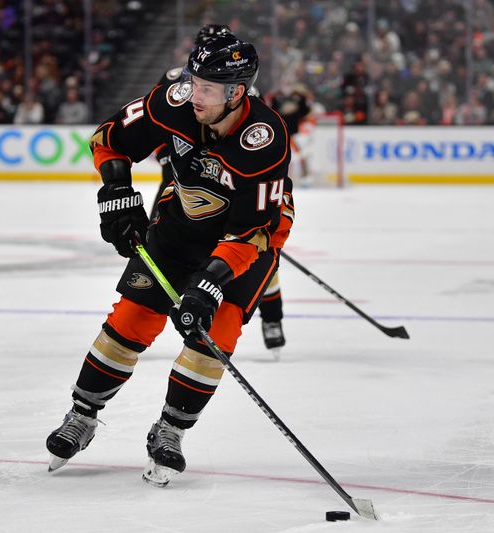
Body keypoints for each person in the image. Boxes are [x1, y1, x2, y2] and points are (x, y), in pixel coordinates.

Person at [46, 35, 294, 487]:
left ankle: (171, 430)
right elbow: (108, 139)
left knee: (213, 336)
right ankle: (81, 416)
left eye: (207, 88)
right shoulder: (176, 100)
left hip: (245, 242)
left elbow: (254, 231)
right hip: (181, 223)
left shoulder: (264, 140)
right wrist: (116, 190)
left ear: (237, 93)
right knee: (131, 320)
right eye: (194, 82)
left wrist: (212, 280)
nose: (193, 94)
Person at [150, 24, 288, 352]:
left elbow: (260, 143)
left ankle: (272, 316)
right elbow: (156, 125)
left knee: (249, 252)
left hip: (226, 187)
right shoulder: (173, 82)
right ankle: (176, 301)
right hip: (180, 181)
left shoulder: (239, 91)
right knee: (161, 242)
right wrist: (167, 158)